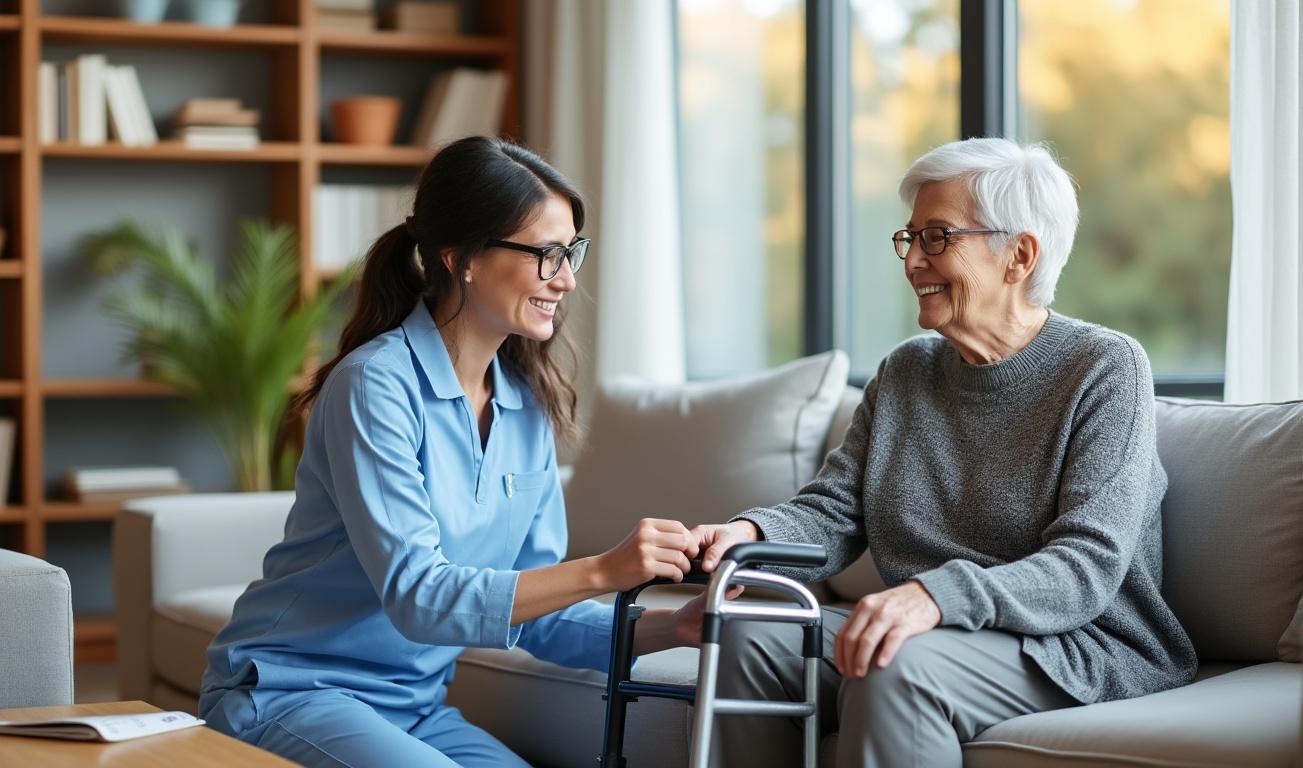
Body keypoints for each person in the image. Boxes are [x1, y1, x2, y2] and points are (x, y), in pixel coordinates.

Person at [199, 136, 707, 767]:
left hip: (413, 709)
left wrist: (673, 626)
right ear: (461, 258)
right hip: (293, 691)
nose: (567, 279)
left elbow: (534, 614)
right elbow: (420, 596)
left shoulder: (526, 405)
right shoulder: (375, 385)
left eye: (571, 252)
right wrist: (606, 569)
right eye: (547, 255)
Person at [692, 138, 1198, 766]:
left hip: (1076, 643)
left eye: (937, 237)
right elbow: (834, 511)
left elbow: (1086, 565)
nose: (912, 261)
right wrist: (747, 535)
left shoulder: (1104, 367)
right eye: (910, 238)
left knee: (892, 661)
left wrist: (934, 596)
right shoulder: (906, 371)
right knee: (745, 639)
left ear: (1019, 255)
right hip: (938, 629)